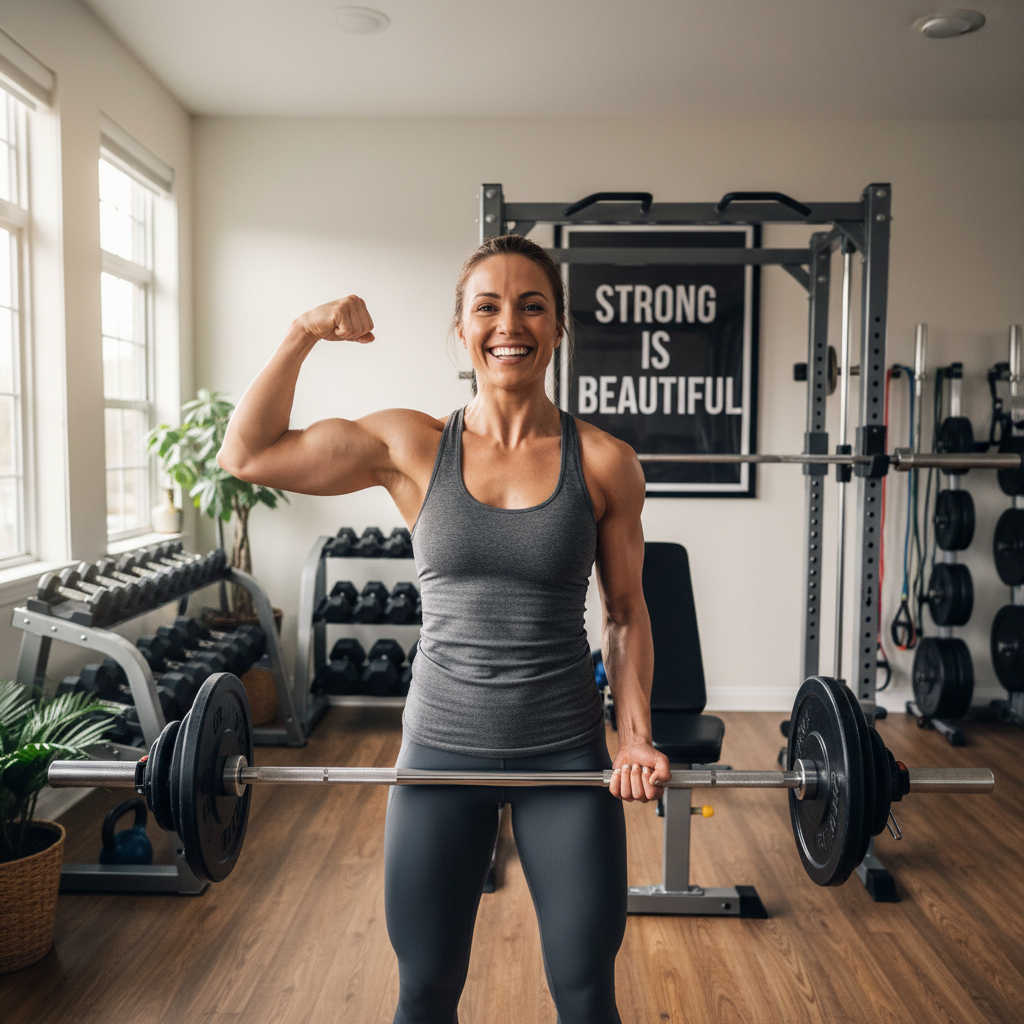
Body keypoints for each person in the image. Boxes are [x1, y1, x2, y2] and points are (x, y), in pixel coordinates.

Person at [218, 234, 670, 1024]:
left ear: (558, 326)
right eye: (487, 307)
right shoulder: (412, 445)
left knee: (586, 995)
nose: (509, 325)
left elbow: (625, 613)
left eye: (532, 306)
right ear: (460, 329)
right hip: (438, 755)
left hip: (565, 756)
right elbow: (248, 454)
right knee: (424, 993)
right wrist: (303, 332)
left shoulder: (604, 463)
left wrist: (634, 738)